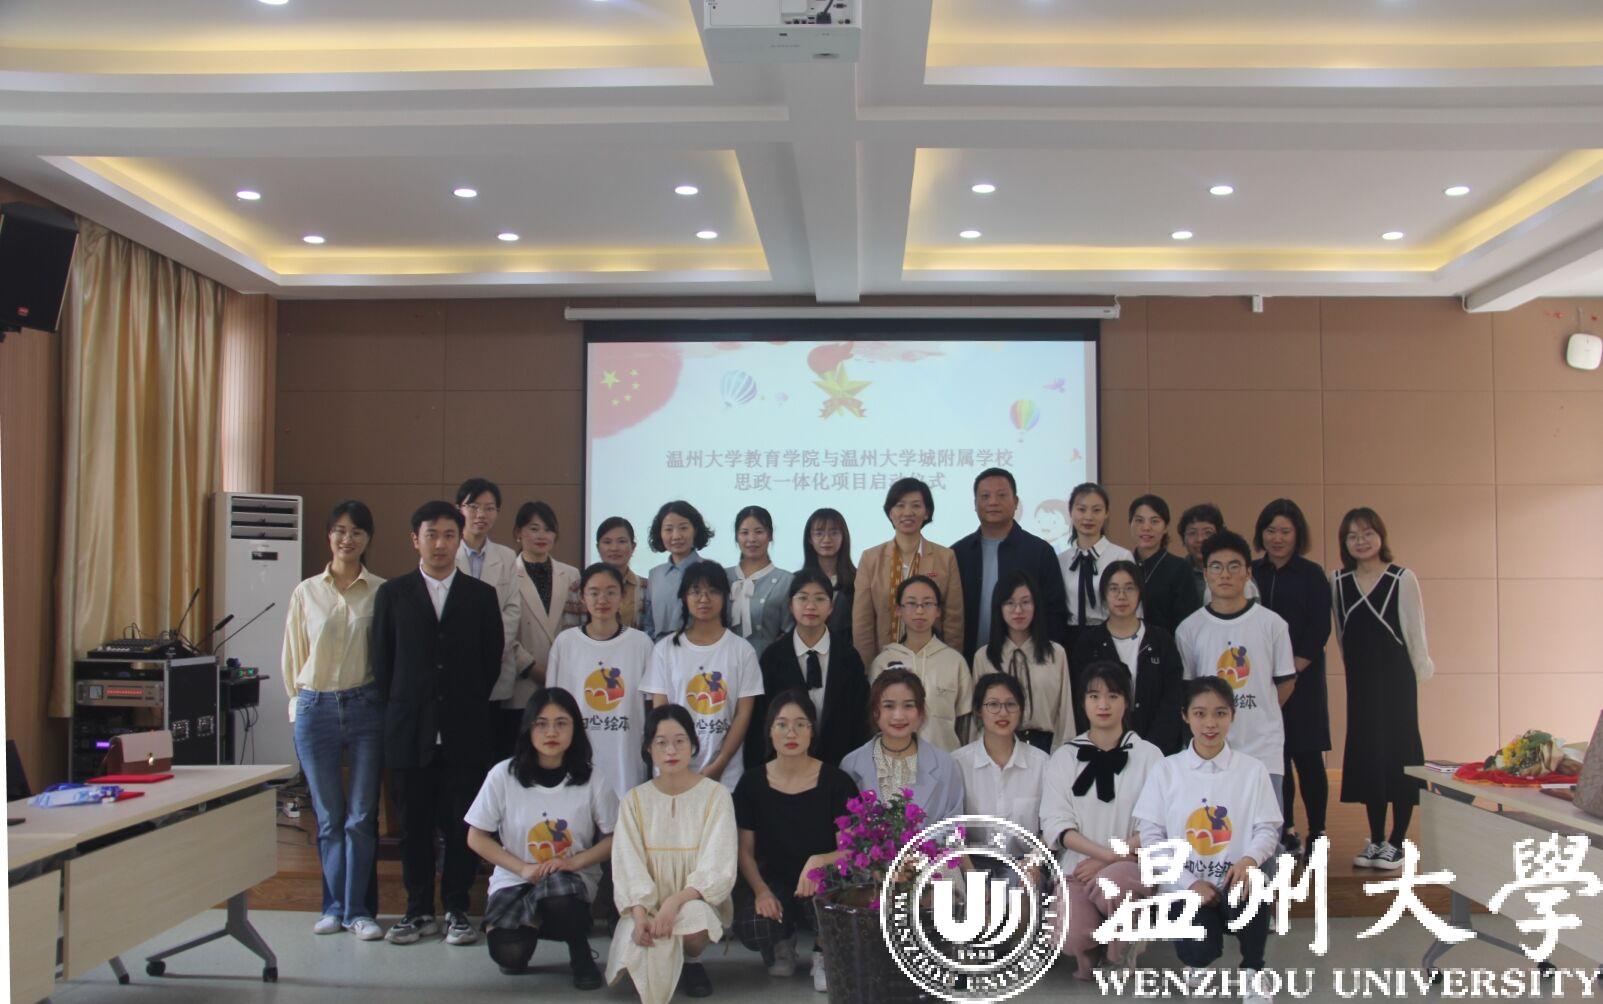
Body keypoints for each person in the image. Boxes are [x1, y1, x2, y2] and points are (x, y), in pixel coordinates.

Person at [372, 500, 505, 948]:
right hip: (410, 730)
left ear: (459, 540)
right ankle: (417, 911)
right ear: (416, 540)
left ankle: (456, 909)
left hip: (465, 730)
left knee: (461, 824)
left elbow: (490, 663)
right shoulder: (393, 595)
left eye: (450, 535)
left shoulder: (480, 596)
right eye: (432, 534)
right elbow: (383, 666)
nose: (441, 544)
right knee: (413, 826)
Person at [1132, 677, 1282, 1004]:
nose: (1210, 723)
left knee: (1255, 887)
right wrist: (1189, 882)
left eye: (1220, 713)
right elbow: (1151, 838)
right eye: (1200, 714)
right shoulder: (1166, 771)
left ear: (1232, 716)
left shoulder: (1252, 770)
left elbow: (1267, 829)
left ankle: (1253, 970)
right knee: (1200, 949)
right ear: (1185, 716)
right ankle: (1196, 963)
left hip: (1234, 882)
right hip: (1184, 887)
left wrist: (1249, 861)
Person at [281, 500, 385, 940]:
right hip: (315, 707)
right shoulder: (306, 592)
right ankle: (332, 907)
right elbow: (293, 655)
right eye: (340, 530)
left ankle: (359, 911)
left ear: (367, 539)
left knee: (360, 817)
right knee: (327, 817)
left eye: (357, 532)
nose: (348, 539)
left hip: (365, 708)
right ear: (329, 535)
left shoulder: (381, 592)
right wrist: (297, 706)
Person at [465, 687, 617, 988]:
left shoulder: (593, 779)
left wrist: (573, 863)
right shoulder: (503, 775)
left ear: (575, 729)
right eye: (542, 724)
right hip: (517, 877)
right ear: (528, 728)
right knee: (509, 955)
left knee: (561, 900)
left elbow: (616, 837)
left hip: (570, 879)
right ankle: (529, 924)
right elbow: (476, 837)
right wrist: (523, 869)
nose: (551, 732)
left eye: (561, 723)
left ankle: (580, 952)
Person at [606, 705, 738, 1003]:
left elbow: (718, 864)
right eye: (661, 742)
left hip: (693, 899)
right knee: (639, 950)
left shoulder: (716, 796)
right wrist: (640, 913)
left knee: (694, 923)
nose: (671, 750)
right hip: (646, 902)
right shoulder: (634, 800)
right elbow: (628, 864)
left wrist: (673, 903)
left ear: (693, 744)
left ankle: (692, 961)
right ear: (648, 748)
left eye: (680, 741)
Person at [1041, 661, 1164, 982]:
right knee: (1070, 934)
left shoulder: (1150, 756)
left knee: (1114, 882)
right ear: (1083, 702)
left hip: (1131, 866)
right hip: (1079, 869)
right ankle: (1091, 950)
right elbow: (1056, 822)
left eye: (1113, 695)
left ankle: (1122, 950)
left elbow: (1157, 823)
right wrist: (1102, 855)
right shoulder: (1064, 757)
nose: (1103, 705)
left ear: (1127, 701)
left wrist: (1113, 858)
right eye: (1094, 696)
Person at [732, 690, 856, 993]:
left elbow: (850, 851)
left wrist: (819, 861)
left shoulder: (836, 782)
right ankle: (781, 941)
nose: (791, 733)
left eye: (801, 724)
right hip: (772, 880)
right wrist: (761, 891)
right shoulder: (751, 783)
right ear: (769, 731)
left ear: (812, 731)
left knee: (833, 900)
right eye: (782, 724)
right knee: (754, 925)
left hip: (820, 880)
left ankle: (823, 951)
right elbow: (744, 852)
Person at [1333, 507, 1431, 872]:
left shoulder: (1401, 578)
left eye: (1367, 533)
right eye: (1352, 536)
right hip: (1361, 684)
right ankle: (1375, 838)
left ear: (1380, 536)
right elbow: (1342, 635)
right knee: (1369, 757)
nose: (1361, 541)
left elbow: (1415, 632)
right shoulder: (1338, 581)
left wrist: (1418, 675)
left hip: (1397, 684)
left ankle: (1397, 841)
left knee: (1399, 757)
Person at [1175, 532, 1296, 817]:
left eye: (1234, 566)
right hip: (1210, 747)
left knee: (1265, 830)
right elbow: (1189, 690)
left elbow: (1286, 681)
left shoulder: (1272, 624)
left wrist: (1262, 710)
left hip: (1263, 747)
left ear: (1248, 572)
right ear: (1206, 573)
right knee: (1216, 827)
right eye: (1216, 567)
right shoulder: (1189, 629)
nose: (1225, 574)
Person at [1251, 499, 1333, 860]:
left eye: (1285, 531)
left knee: (1308, 757)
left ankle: (1318, 831)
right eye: (1271, 530)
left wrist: (1292, 670)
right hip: (1262, 683)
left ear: (1298, 534)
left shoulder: (1311, 574)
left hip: (1303, 679)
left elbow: (1319, 628)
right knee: (1276, 759)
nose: (1277, 538)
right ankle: (1286, 831)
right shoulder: (1253, 573)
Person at [643, 562, 762, 792]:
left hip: (725, 776)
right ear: (684, 597)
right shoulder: (665, 649)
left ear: (725, 596)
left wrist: (719, 764)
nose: (704, 599)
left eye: (713, 591)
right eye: (695, 591)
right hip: (672, 771)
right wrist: (678, 766)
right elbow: (660, 713)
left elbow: (743, 714)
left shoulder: (742, 650)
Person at [547, 563, 656, 805]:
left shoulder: (641, 644)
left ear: (623, 596)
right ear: (582, 597)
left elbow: (652, 708)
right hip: (576, 760)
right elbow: (552, 706)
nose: (602, 600)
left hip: (626, 764)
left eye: (610, 592)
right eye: (594, 593)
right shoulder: (565, 643)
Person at [748, 570, 869, 769]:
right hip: (784, 767)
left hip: (839, 767)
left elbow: (860, 719)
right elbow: (760, 720)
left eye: (820, 599)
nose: (810, 606)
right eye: (803, 598)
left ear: (831, 607)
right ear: (790, 605)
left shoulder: (848, 656)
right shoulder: (773, 657)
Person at [952, 467, 1070, 661]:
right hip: (968, 660)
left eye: (1001, 495)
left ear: (1015, 502)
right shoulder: (958, 553)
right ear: (975, 504)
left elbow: (1054, 612)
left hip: (1027, 661)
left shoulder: (1039, 551)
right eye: (985, 496)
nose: (993, 502)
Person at [1069, 560, 1186, 754]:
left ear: (1140, 593)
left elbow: (1173, 698)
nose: (1121, 596)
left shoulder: (1161, 640)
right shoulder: (1089, 644)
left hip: (1157, 750)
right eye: (1114, 589)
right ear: (1104, 594)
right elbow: (1080, 699)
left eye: (1129, 588)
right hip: (1102, 750)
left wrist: (1150, 750)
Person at [852, 477, 964, 666]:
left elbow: (953, 619)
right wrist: (867, 667)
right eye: (900, 505)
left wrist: (950, 664)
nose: (908, 512)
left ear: (927, 512)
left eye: (916, 506)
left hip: (932, 661)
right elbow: (862, 622)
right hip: (884, 661)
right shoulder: (871, 559)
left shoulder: (945, 558)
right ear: (890, 512)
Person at [455, 477, 525, 753]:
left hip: (496, 666)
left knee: (493, 749)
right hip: (455, 669)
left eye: (489, 508)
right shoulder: (445, 552)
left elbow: (512, 609)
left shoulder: (506, 556)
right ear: (459, 509)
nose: (481, 515)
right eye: (473, 507)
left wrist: (489, 649)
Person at [840, 669, 964, 823]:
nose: (898, 716)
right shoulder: (851, 764)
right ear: (874, 711)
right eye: (889, 706)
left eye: (908, 705)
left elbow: (955, 827)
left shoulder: (945, 764)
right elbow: (847, 827)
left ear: (920, 711)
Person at [506, 501, 581, 754]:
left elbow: (578, 627)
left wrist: (558, 671)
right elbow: (501, 631)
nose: (542, 535)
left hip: (564, 681)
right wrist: (531, 668)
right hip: (522, 683)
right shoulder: (506, 574)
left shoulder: (571, 575)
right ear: (518, 533)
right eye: (534, 528)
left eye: (548, 530)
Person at [867, 575, 971, 752]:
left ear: (938, 611)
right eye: (911, 603)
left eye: (928, 603)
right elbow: (874, 719)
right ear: (898, 610)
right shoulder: (883, 662)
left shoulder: (954, 662)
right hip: (894, 759)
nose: (920, 610)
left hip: (945, 759)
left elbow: (966, 724)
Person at [970, 569, 1071, 752]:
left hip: (1045, 747)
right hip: (997, 747)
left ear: (1036, 605)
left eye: (1025, 602)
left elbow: (1065, 714)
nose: (1018, 610)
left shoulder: (1056, 654)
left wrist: (1064, 755)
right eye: (1010, 603)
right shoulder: (984, 657)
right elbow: (977, 719)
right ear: (999, 608)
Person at [954, 674, 1049, 834]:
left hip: (1029, 851)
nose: (1003, 713)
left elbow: (1051, 827)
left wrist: (1035, 853)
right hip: (972, 851)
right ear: (978, 710)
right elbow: (951, 830)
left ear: (1021, 710)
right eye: (993, 705)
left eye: (1011, 704)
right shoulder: (958, 764)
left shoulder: (1042, 764)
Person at [1059, 483, 1134, 649]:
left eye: (1096, 510)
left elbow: (1135, 606)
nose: (1088, 517)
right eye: (1081, 509)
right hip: (1070, 639)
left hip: (1112, 635)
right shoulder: (1061, 560)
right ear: (1070, 512)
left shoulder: (1121, 557)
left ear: (1106, 513)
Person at [726, 506, 794, 660]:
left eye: (759, 531)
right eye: (744, 533)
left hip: (769, 663)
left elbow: (789, 631)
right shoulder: (723, 577)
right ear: (736, 537)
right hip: (725, 664)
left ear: (770, 535)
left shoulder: (786, 580)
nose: (751, 539)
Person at [1128, 494, 1201, 633]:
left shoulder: (1179, 568)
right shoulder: (1123, 565)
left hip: (1167, 643)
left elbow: (1188, 622)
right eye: (1139, 520)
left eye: (1154, 521)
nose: (1146, 527)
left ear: (1166, 527)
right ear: (1130, 524)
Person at [643, 500, 712, 642]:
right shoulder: (655, 575)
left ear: (695, 530)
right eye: (668, 529)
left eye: (683, 528)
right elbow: (649, 624)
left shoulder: (711, 571)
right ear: (660, 533)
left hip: (700, 649)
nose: (676, 536)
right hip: (660, 651)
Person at [565, 517, 647, 633]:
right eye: (607, 542)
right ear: (598, 547)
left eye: (622, 541)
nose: (614, 548)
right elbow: (570, 632)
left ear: (633, 547)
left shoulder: (646, 587)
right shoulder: (578, 588)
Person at [1179, 502, 1257, 606]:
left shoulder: (1237, 570)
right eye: (1192, 533)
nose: (1200, 539)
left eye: (1208, 532)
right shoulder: (1178, 572)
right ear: (1183, 538)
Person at [799, 508, 856, 639]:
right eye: (819, 533)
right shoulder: (798, 580)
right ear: (810, 539)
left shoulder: (858, 580)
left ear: (843, 536)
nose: (826, 539)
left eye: (834, 533)